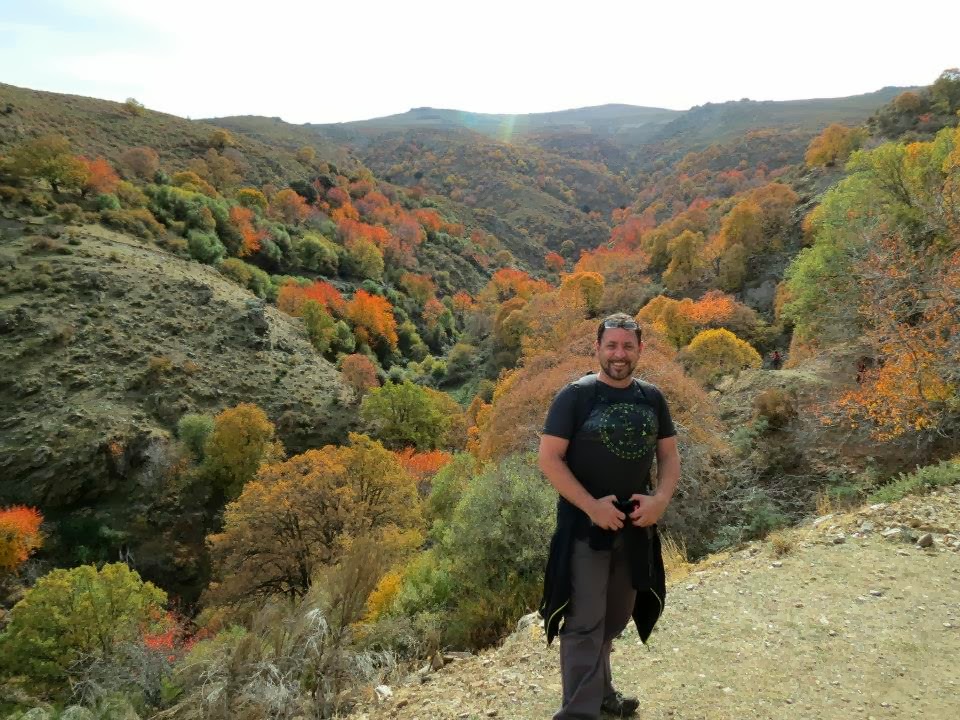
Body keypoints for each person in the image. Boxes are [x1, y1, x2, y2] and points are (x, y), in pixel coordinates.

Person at [538, 313, 681, 719]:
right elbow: (549, 459)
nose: (619, 354)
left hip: (635, 529)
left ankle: (601, 694)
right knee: (584, 621)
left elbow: (669, 456)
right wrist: (591, 506)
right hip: (585, 528)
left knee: (615, 616)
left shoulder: (652, 397)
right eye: (612, 346)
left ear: (639, 350)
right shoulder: (575, 396)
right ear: (598, 348)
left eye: (627, 346)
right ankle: (580, 712)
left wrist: (661, 499)